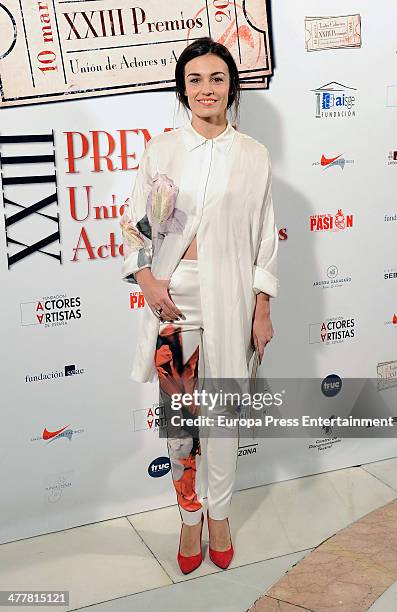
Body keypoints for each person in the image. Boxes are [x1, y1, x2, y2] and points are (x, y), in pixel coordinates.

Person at [120, 36, 279, 574]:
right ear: (182, 88)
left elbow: (264, 237)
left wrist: (261, 307)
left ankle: (221, 516)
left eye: (216, 78)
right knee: (180, 417)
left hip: (232, 295)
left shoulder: (254, 155)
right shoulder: (161, 149)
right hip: (173, 296)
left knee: (224, 415)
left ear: (231, 85)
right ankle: (189, 515)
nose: (206, 89)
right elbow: (137, 224)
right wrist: (147, 280)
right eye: (194, 80)